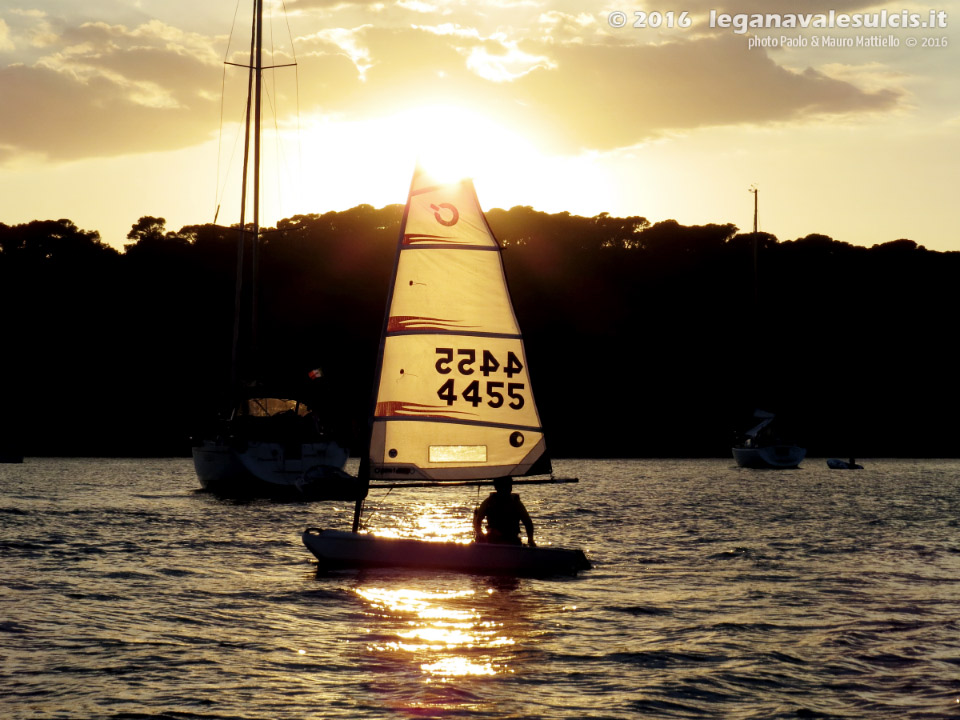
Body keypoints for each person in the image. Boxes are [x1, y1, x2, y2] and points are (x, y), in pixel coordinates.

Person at [473, 477, 535, 546]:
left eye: (509, 485)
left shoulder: (515, 503)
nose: (508, 488)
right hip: (494, 539)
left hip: (511, 540)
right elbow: (478, 521)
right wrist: (480, 533)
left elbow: (528, 523)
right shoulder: (489, 502)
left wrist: (530, 539)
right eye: (504, 486)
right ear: (497, 487)